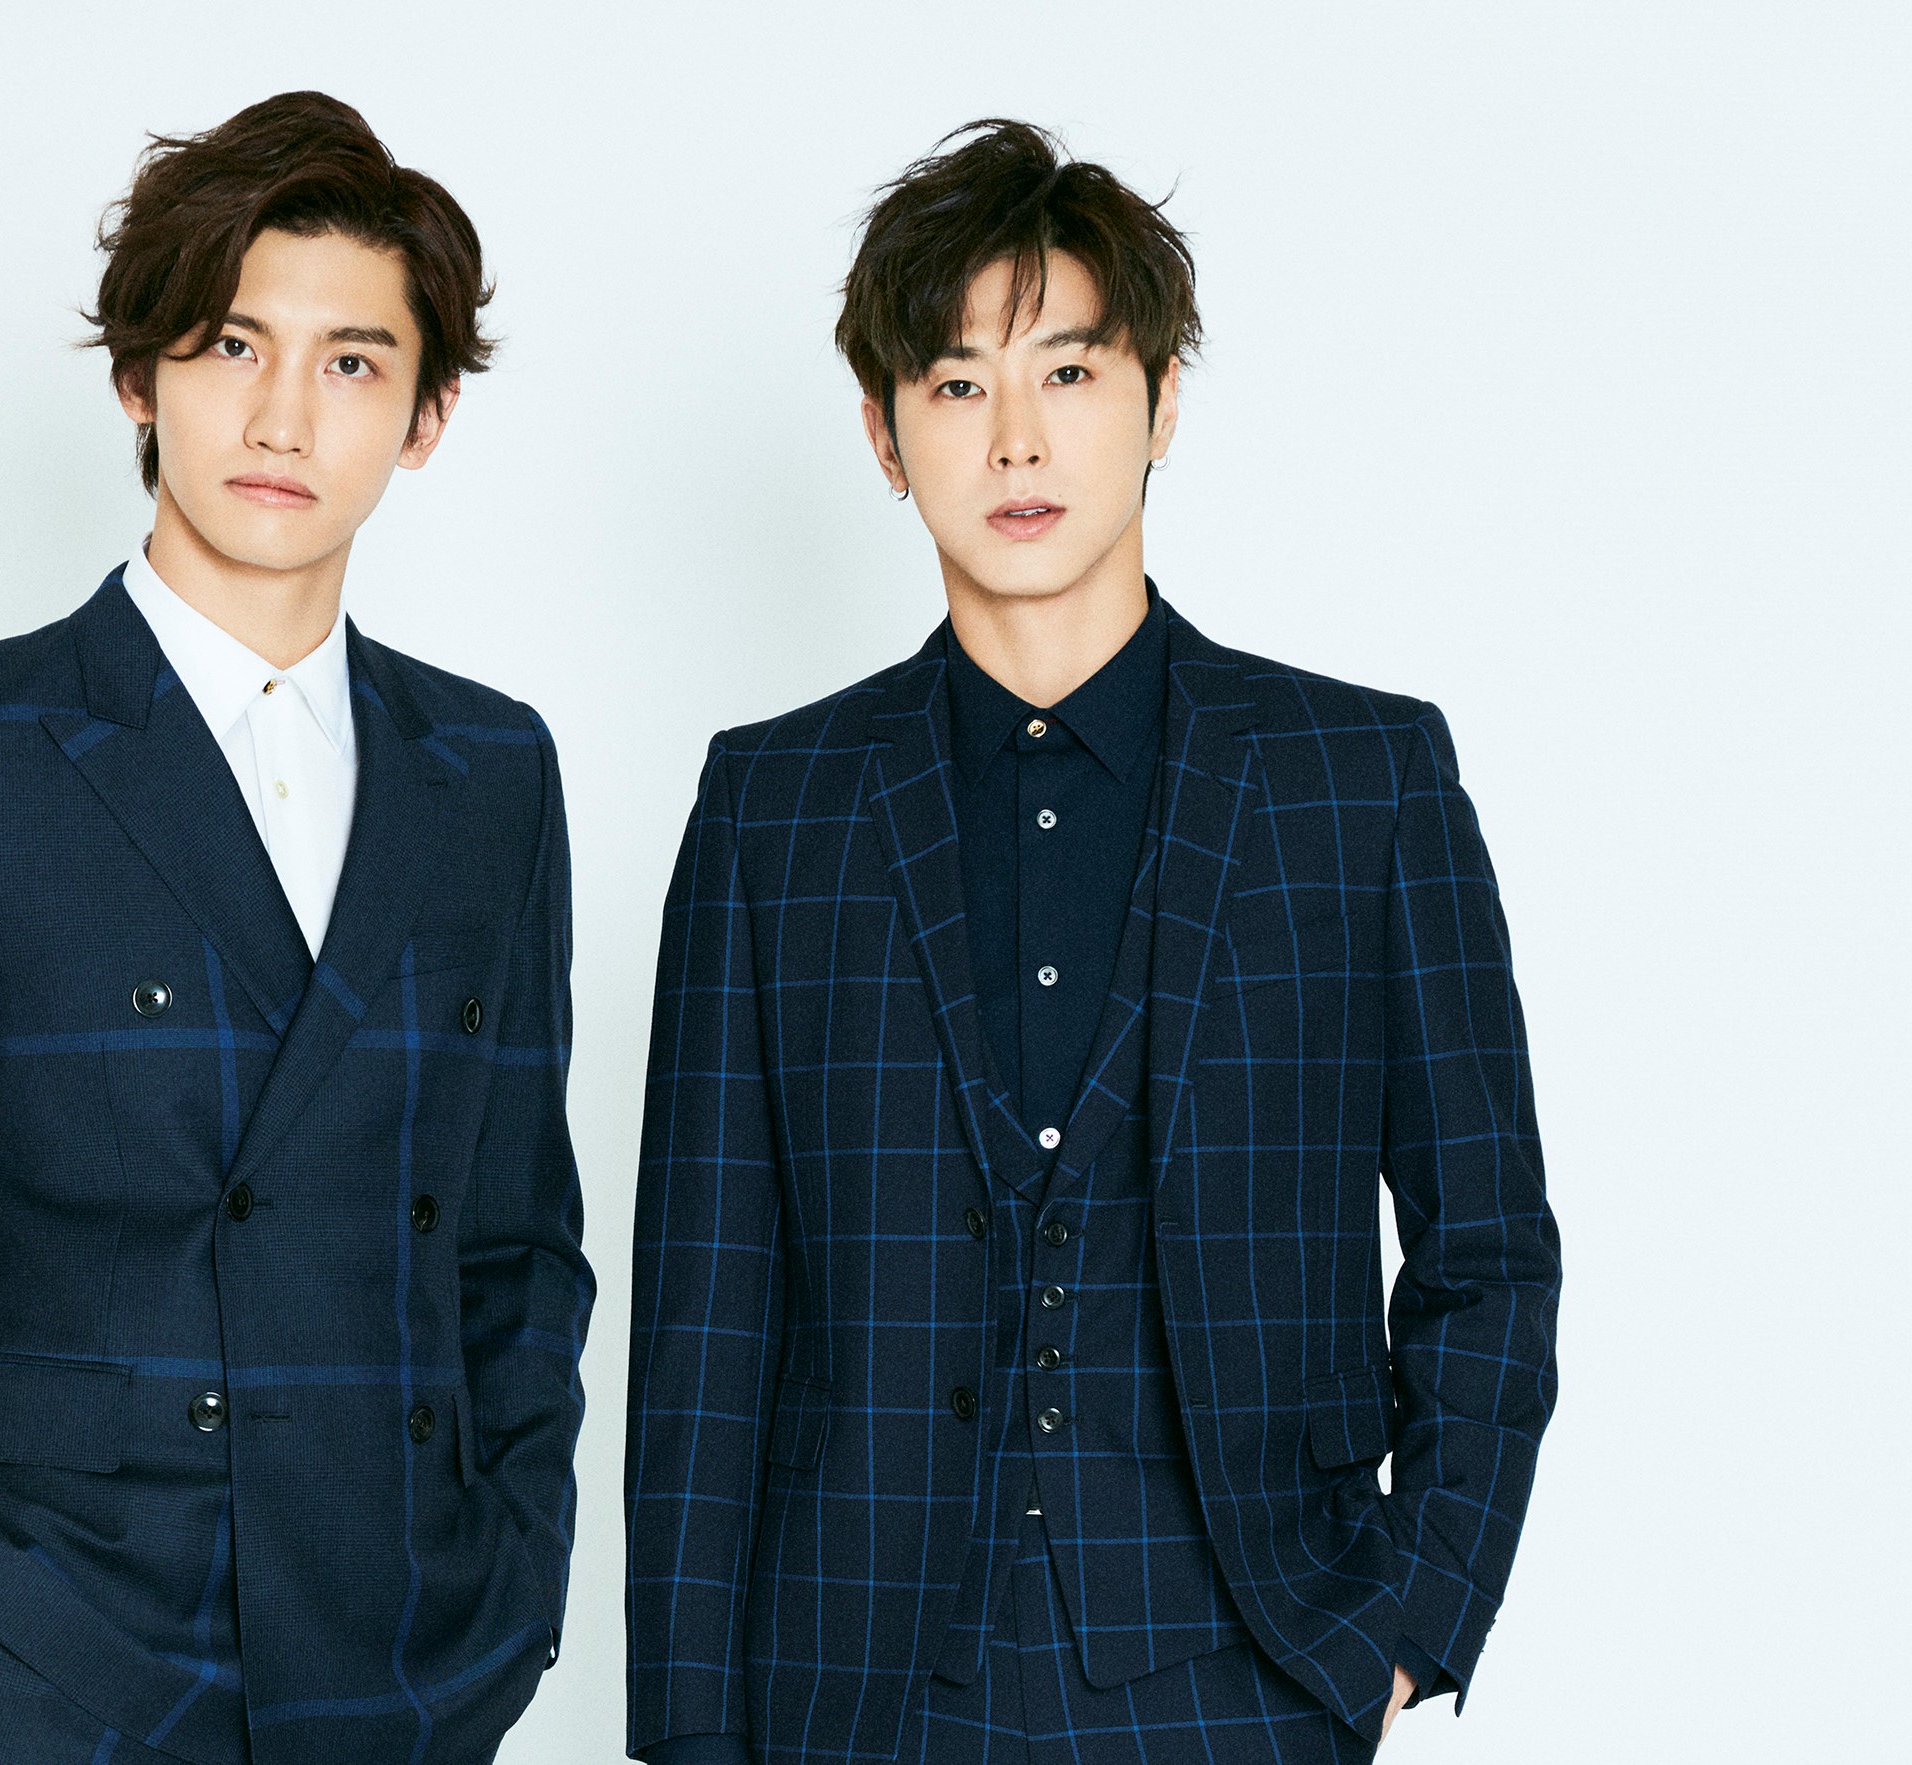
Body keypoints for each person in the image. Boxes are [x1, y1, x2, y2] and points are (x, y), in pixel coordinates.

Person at [625, 120, 1559, 1765]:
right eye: (957, 383)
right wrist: (692, 1727)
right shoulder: (774, 807)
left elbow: (1485, 1246)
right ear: (885, 433)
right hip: (855, 1686)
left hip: (1248, 1668)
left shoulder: (1360, 783)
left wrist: (1414, 1619)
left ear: (1162, 401)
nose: (1017, 439)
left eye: (1067, 372)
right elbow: (705, 1314)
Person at [0, 90, 591, 1765]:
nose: (283, 415)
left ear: (425, 416)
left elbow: (515, 1242)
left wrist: (515, 1582)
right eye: (233, 344)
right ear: (139, 375)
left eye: (351, 362)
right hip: (59, 1658)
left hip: (396, 1673)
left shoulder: (489, 770)